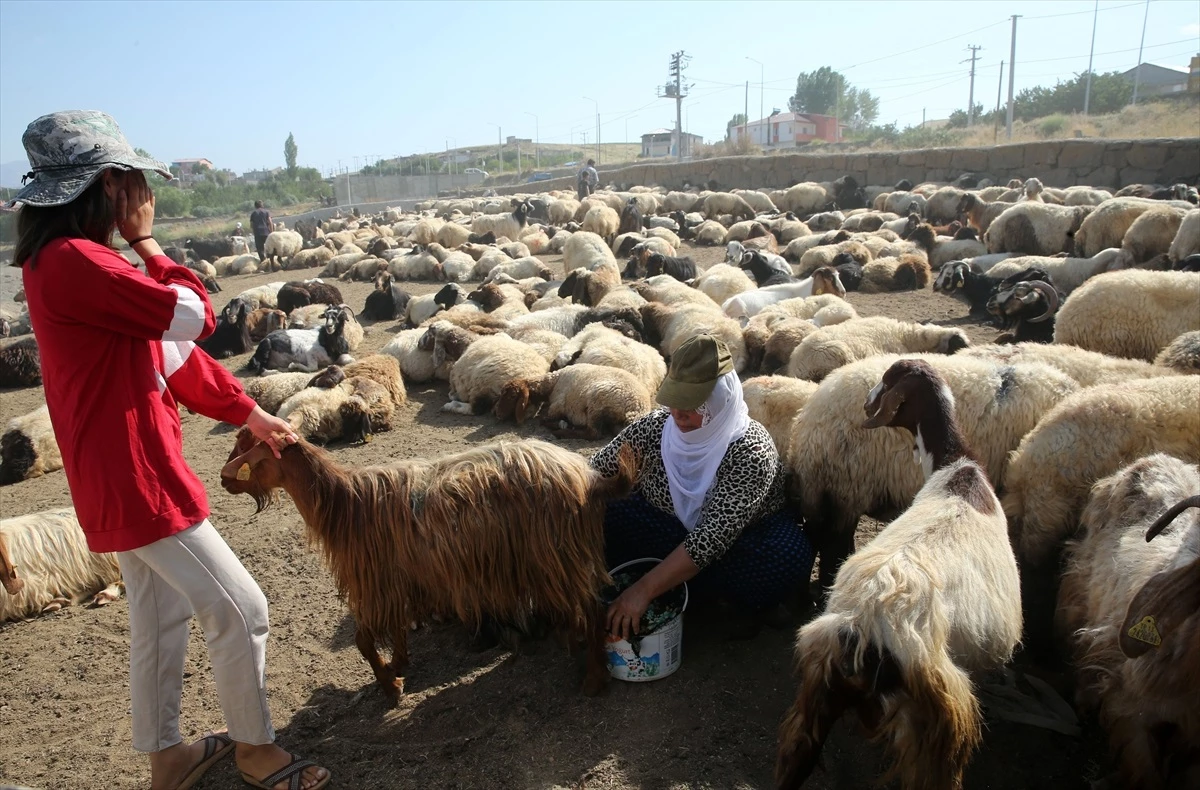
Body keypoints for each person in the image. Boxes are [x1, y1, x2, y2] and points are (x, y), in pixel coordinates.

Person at [11, 110, 329, 790]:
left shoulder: (75, 265)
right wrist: (152, 244)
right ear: (101, 188)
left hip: (118, 473)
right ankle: (255, 750)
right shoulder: (75, 262)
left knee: (161, 618)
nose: (136, 196)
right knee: (243, 609)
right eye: (128, 182)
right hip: (140, 476)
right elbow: (195, 318)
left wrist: (253, 413)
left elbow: (177, 358)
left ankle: (169, 758)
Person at [590, 334, 813, 640]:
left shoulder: (749, 451)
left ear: (722, 400)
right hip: (668, 529)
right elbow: (596, 471)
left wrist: (640, 592)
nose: (679, 414)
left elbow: (710, 540)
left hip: (739, 544)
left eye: (694, 404)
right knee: (605, 507)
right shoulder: (654, 428)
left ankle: (686, 592)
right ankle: (688, 590)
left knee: (784, 558)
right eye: (676, 401)